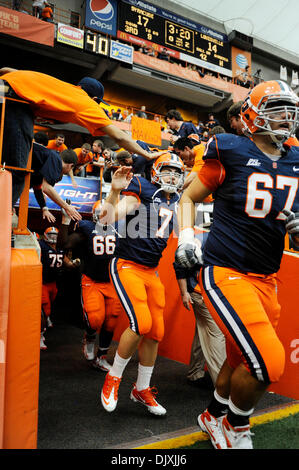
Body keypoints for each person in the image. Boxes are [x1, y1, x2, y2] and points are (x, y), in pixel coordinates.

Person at [175, 80, 299, 449]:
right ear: (251, 114)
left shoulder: (295, 159)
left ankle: (213, 414)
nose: (286, 117)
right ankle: (236, 428)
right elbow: (188, 196)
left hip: (267, 276)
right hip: (225, 270)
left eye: (289, 110)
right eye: (276, 109)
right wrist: (185, 238)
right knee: (266, 364)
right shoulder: (228, 149)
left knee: (238, 358)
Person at [99, 152, 185, 415]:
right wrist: (114, 192)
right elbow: (107, 218)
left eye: (176, 172)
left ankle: (142, 388)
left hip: (151, 271)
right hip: (127, 264)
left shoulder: (179, 199)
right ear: (155, 172)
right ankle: (112, 379)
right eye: (167, 170)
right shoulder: (142, 188)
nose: (172, 176)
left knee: (156, 331)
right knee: (140, 323)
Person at [0, 69, 162, 206]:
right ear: (95, 100)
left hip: (5, 88)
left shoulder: (63, 88)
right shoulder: (87, 102)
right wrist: (147, 154)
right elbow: (119, 136)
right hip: (15, 102)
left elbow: (5, 70)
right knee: (16, 172)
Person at [58, 201, 124, 371]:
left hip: (112, 281)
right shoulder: (88, 228)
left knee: (112, 320)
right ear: (95, 214)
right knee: (95, 319)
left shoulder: (121, 229)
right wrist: (65, 221)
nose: (104, 215)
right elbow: (65, 245)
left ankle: (101, 357)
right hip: (92, 280)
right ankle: (90, 336)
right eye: (100, 212)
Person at [173, 231, 226, 388]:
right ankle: (223, 387)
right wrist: (184, 293)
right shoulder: (202, 240)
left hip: (210, 293)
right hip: (201, 294)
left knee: (203, 330)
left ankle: (195, 373)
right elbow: (179, 263)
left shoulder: (226, 239)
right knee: (217, 335)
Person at [31, 132, 81, 222]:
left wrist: (44, 208)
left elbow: (38, 187)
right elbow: (46, 187)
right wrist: (67, 207)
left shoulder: (47, 161)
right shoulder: (56, 160)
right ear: (70, 166)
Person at [39, 226, 72, 349]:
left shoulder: (60, 249)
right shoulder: (42, 246)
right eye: (50, 234)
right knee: (45, 308)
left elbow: (66, 261)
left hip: (54, 283)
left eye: (55, 235)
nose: (53, 237)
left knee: (50, 304)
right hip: (43, 282)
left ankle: (46, 318)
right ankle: (40, 336)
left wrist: (74, 263)